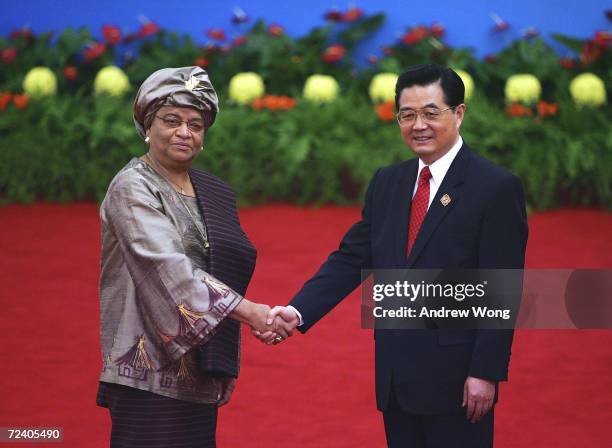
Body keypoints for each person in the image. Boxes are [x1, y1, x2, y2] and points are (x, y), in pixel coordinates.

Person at [262, 64, 528, 447]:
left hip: (457, 381)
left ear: (459, 113)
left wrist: (485, 372)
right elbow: (352, 257)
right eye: (407, 115)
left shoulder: (495, 188)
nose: (418, 124)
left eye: (430, 112)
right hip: (396, 376)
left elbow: (501, 289)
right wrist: (298, 311)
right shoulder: (388, 182)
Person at [96, 66, 290, 448]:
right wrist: (252, 312)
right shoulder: (132, 186)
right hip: (145, 371)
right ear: (147, 125)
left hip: (199, 370)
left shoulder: (209, 190)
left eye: (196, 124)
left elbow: (224, 268)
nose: (185, 132)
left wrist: (223, 360)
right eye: (172, 121)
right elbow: (168, 269)